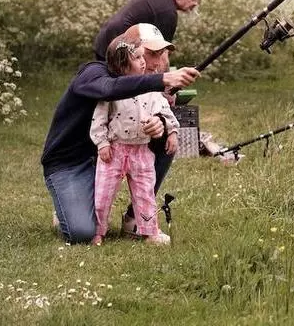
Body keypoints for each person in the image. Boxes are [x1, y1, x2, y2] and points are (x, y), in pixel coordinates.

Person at [42, 30, 199, 244]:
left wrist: (160, 123)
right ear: (121, 54)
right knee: (81, 232)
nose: (153, 63)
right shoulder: (94, 72)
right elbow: (109, 89)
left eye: (160, 54)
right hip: (72, 162)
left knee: (165, 140)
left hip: (124, 150)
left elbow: (156, 109)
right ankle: (69, 209)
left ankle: (135, 219)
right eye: (147, 54)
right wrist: (161, 79)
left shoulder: (145, 82)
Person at [91, 36, 178, 246]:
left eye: (142, 57)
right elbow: (99, 119)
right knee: (103, 193)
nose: (143, 61)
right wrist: (102, 143)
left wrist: (173, 131)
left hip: (141, 151)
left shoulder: (151, 88)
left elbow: (165, 112)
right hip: (114, 150)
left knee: (145, 193)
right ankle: (97, 232)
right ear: (122, 64)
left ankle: (149, 232)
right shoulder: (112, 90)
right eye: (137, 57)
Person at [93, 0, 202, 61]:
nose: (195, 4)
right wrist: (167, 83)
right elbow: (162, 54)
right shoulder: (168, 12)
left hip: (106, 38)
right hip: (118, 45)